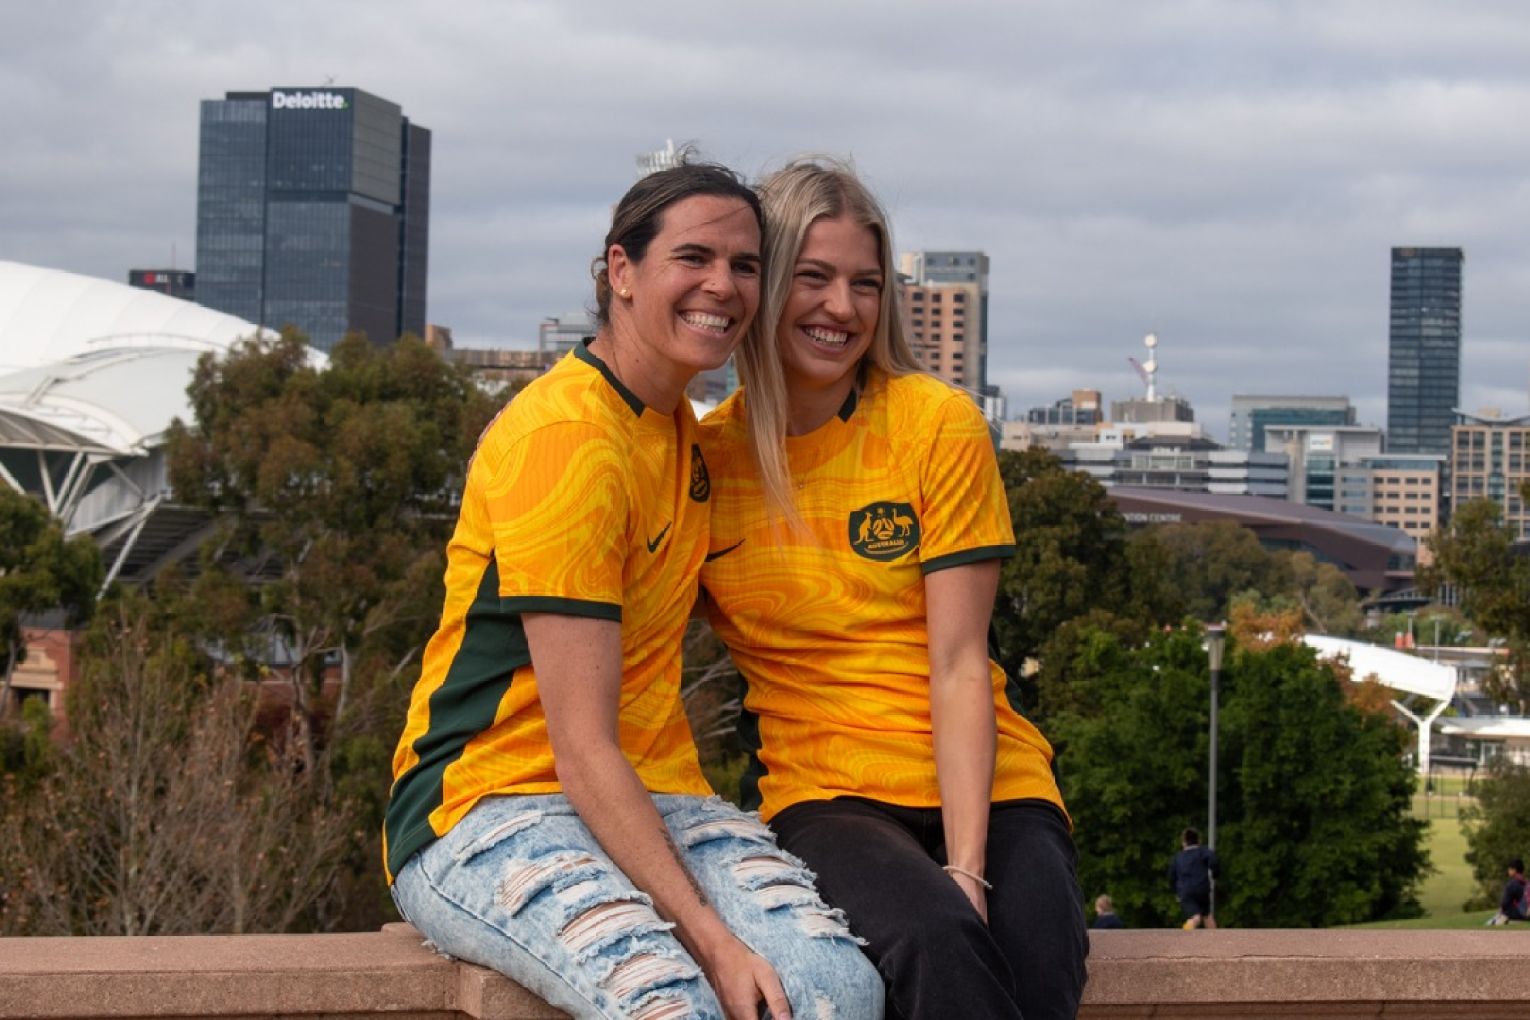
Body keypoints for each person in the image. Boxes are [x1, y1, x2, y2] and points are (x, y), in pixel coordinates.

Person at [383, 162, 883, 1020]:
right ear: (622, 270)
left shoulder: (681, 428)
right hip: (489, 803)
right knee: (669, 1004)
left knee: (835, 989)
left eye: (745, 265)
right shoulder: (569, 438)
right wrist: (713, 940)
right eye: (693, 258)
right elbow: (580, 747)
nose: (722, 286)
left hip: (656, 791)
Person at [699, 157, 1088, 1020]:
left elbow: (959, 662)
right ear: (763, 285)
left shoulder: (934, 424)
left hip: (989, 781)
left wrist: (968, 868)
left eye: (865, 284)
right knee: (932, 939)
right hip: (827, 793)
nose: (842, 307)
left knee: (1032, 948)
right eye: (814, 277)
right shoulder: (705, 460)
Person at [1168, 828, 1218, 930]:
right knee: (1207, 915)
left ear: (1184, 842)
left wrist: (1176, 892)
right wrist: (1215, 874)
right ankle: (1215, 937)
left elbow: (1171, 876)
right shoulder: (1203, 852)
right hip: (1202, 888)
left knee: (1195, 917)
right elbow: (1213, 861)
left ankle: (1188, 928)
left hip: (1185, 891)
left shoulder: (1178, 857)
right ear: (1198, 841)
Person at [1487, 858, 1527, 925]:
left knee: (1493, 920)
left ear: (1514, 870)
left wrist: (1501, 911)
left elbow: (1505, 903)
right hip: (1526, 912)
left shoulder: (1512, 884)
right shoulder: (1526, 882)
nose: (1508, 871)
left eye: (1509, 869)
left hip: (1518, 914)